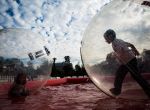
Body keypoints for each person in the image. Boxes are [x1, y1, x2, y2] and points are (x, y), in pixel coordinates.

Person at [103, 29, 150, 97]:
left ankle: (117, 90)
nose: (106, 40)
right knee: (129, 75)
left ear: (110, 36)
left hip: (129, 61)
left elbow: (120, 51)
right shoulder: (119, 41)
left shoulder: (115, 43)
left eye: (106, 38)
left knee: (127, 75)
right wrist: (136, 51)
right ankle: (117, 90)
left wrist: (113, 56)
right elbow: (130, 45)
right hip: (129, 60)